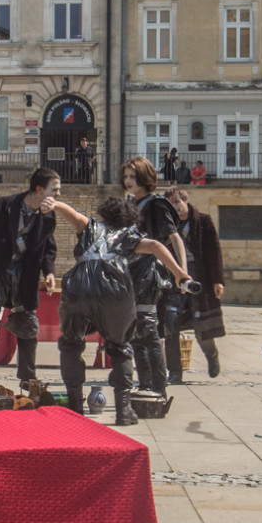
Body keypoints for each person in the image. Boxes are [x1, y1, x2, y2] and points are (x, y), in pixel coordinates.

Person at [48, 195, 196, 425]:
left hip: (77, 290)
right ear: (130, 219)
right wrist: (179, 273)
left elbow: (72, 214)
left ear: (105, 214)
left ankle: (76, 404)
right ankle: (123, 409)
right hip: (113, 294)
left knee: (71, 344)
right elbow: (156, 246)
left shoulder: (90, 227)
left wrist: (54, 204)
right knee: (119, 348)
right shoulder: (130, 235)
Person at [0, 167, 60, 392]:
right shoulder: (5, 205)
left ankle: (28, 379)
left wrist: (49, 271)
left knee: (27, 324)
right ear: (39, 189)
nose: (58, 195)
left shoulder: (48, 215)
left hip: (24, 277)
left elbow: (48, 246)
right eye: (54, 190)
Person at [120, 155, 185, 396]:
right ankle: (145, 385)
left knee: (148, 330)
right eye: (126, 176)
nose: (128, 181)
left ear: (145, 178)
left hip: (148, 273)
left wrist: (182, 272)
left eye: (133, 176)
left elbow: (174, 238)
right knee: (136, 331)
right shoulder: (130, 204)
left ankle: (158, 387)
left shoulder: (156, 204)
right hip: (130, 272)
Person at [165, 187, 227, 379]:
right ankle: (175, 371)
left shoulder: (203, 221)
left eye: (177, 202)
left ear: (185, 200)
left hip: (199, 278)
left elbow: (214, 252)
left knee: (202, 328)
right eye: (171, 204)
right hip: (174, 278)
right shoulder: (167, 224)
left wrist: (217, 280)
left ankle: (211, 355)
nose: (175, 207)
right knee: (171, 325)